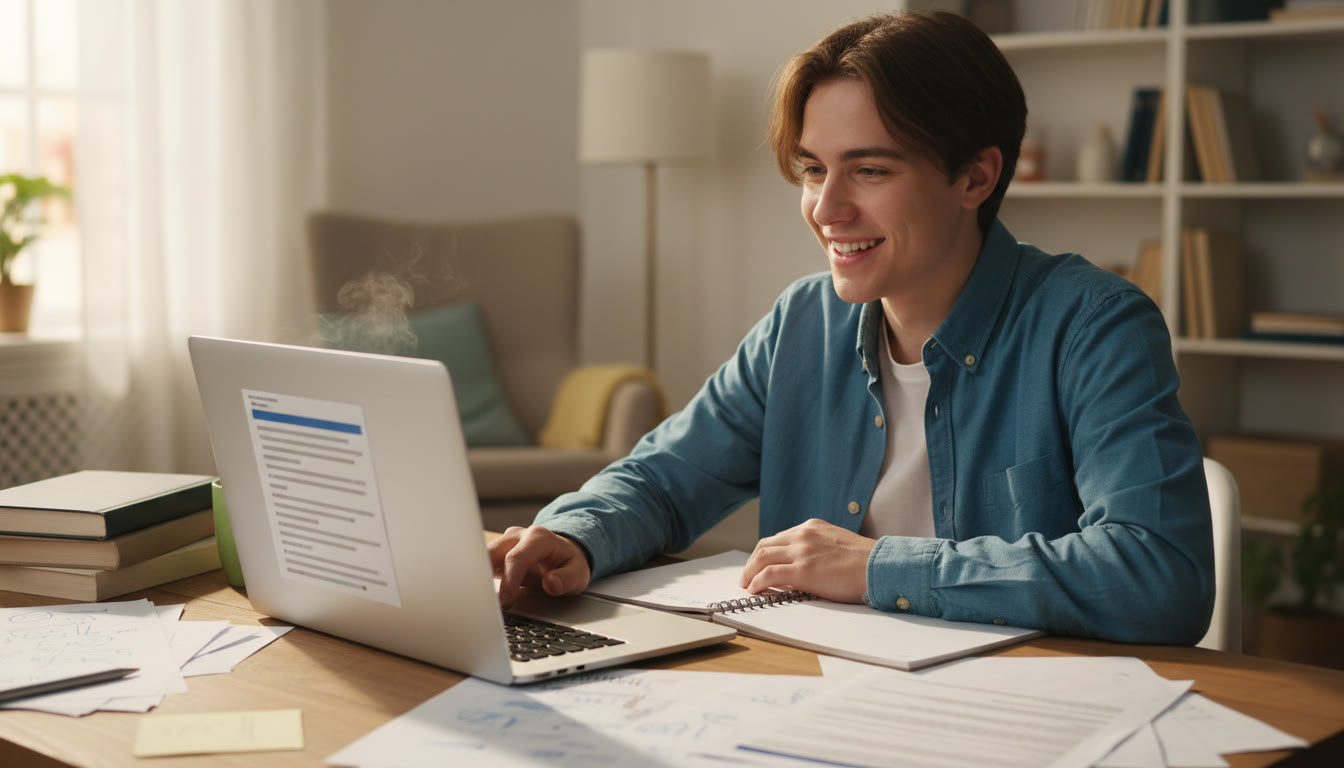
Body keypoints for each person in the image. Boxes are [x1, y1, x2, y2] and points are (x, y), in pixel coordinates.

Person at [489, 11, 1214, 644]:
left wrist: (878, 567)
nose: (826, 209)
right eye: (813, 169)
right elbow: (663, 481)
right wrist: (573, 534)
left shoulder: (1094, 326)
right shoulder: (802, 323)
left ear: (975, 178)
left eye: (869, 170)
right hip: (818, 689)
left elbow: (1160, 576)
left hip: (1022, 709)